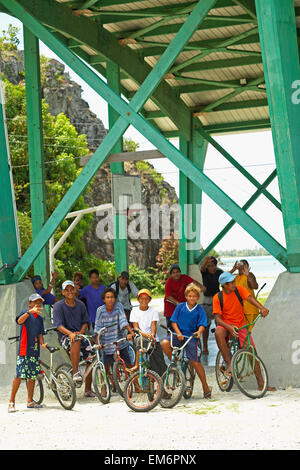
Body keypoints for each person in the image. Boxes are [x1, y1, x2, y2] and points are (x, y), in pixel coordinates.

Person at [213, 272, 275, 391]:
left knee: (252, 352)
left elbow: (250, 298)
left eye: (234, 282)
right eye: (231, 283)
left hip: (241, 324)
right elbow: (217, 319)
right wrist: (229, 327)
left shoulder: (238, 290)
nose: (234, 284)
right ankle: (229, 362)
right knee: (218, 332)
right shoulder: (217, 297)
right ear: (224, 285)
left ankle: (261, 384)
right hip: (226, 325)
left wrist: (261, 307)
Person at [161, 283, 212, 399]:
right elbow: (173, 322)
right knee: (164, 343)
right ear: (186, 296)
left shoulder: (200, 310)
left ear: (197, 297)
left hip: (191, 337)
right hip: (178, 335)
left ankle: (205, 387)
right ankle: (176, 367)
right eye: (189, 296)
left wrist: (199, 332)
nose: (191, 298)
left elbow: (202, 324)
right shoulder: (180, 307)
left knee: (195, 362)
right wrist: (178, 332)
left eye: (194, 296)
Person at [52, 280, 95, 397]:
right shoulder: (58, 306)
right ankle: (75, 373)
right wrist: (71, 334)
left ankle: (88, 389)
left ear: (75, 290)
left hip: (79, 334)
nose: (70, 292)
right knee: (74, 339)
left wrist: (81, 332)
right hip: (65, 336)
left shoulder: (80, 304)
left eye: (72, 289)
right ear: (63, 292)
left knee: (92, 356)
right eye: (67, 290)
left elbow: (86, 321)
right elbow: (58, 325)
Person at [8, 293, 48, 412]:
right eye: (35, 302)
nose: (37, 304)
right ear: (30, 303)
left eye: (39, 302)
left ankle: (30, 401)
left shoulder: (40, 319)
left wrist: (42, 343)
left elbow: (40, 333)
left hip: (35, 350)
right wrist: (29, 312)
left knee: (32, 377)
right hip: (24, 350)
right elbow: (19, 321)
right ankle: (11, 402)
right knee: (19, 375)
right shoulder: (25, 313)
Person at [94, 288, 135, 379]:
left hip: (119, 340)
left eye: (112, 297)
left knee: (128, 364)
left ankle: (136, 385)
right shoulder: (100, 310)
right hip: (106, 342)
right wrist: (98, 343)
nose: (110, 299)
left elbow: (123, 321)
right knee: (106, 367)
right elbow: (98, 328)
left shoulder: (118, 306)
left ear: (115, 298)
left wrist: (131, 333)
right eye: (107, 297)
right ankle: (104, 387)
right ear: (104, 299)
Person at [130, 289, 167, 377]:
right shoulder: (134, 311)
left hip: (152, 338)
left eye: (146, 299)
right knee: (140, 341)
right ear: (138, 299)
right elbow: (135, 327)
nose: (144, 301)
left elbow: (153, 325)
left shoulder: (153, 311)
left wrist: (152, 335)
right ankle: (136, 365)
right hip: (140, 336)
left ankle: (161, 385)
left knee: (159, 363)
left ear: (149, 300)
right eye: (141, 298)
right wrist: (145, 334)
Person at [164, 264, 206, 330]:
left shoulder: (184, 277)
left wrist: (201, 286)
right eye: (173, 273)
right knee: (171, 330)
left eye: (177, 272)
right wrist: (178, 303)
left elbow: (193, 282)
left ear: (180, 272)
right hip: (171, 307)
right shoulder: (169, 282)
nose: (176, 274)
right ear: (171, 274)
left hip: (182, 307)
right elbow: (168, 296)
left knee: (183, 327)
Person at [200, 256, 223, 354]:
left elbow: (227, 277)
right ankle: (205, 347)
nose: (210, 268)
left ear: (216, 266)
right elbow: (202, 267)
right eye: (208, 266)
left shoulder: (219, 272)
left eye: (212, 265)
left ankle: (222, 347)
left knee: (220, 325)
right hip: (207, 301)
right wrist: (205, 261)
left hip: (217, 299)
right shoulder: (205, 273)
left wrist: (234, 269)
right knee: (206, 326)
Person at [230, 259, 259, 331]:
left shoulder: (249, 275)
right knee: (240, 333)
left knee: (250, 333)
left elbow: (255, 286)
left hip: (250, 309)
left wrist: (248, 275)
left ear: (247, 266)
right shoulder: (234, 276)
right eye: (240, 264)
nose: (241, 266)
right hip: (239, 310)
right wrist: (233, 269)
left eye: (243, 264)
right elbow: (222, 278)